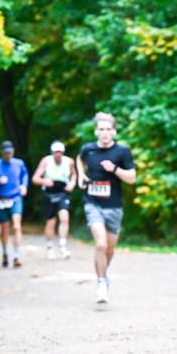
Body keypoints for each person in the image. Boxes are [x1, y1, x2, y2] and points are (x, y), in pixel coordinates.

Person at [76, 112, 136, 303]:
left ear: (114, 131)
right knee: (100, 244)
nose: (104, 133)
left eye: (108, 129)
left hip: (114, 207)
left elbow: (132, 178)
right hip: (92, 203)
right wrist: (80, 175)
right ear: (96, 131)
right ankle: (101, 283)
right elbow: (79, 160)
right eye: (101, 129)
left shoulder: (122, 152)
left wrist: (115, 169)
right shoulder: (88, 149)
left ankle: (103, 274)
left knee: (109, 250)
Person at [32, 141, 76, 259]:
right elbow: (35, 178)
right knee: (51, 222)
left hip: (63, 192)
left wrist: (72, 184)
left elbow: (74, 175)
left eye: (60, 152)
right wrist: (44, 181)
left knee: (64, 218)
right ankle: (50, 246)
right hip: (49, 193)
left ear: (63, 152)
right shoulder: (46, 161)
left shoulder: (69, 161)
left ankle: (63, 246)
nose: (58, 155)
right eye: (56, 152)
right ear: (52, 153)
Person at [0, 140, 29, 268]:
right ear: (2, 152)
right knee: (4, 228)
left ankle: (16, 255)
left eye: (10, 153)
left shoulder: (19, 163)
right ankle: (5, 253)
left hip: (16, 197)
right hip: (2, 199)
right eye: (6, 153)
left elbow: (25, 175)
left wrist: (24, 186)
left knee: (17, 226)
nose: (8, 155)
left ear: (13, 152)